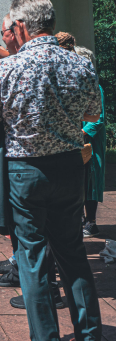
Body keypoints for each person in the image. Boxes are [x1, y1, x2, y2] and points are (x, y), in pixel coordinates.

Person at [0, 0, 102, 340]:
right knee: (73, 253)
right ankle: (90, 334)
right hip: (70, 166)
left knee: (32, 259)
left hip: (26, 170)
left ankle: (45, 336)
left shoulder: (7, 66)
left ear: (21, 26)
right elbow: (92, 113)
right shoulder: (80, 63)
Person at [75, 46, 106, 238]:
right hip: (76, 141)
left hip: (90, 142)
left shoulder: (95, 87)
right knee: (78, 181)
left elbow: (98, 119)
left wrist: (81, 132)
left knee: (90, 181)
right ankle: (79, 219)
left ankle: (91, 222)